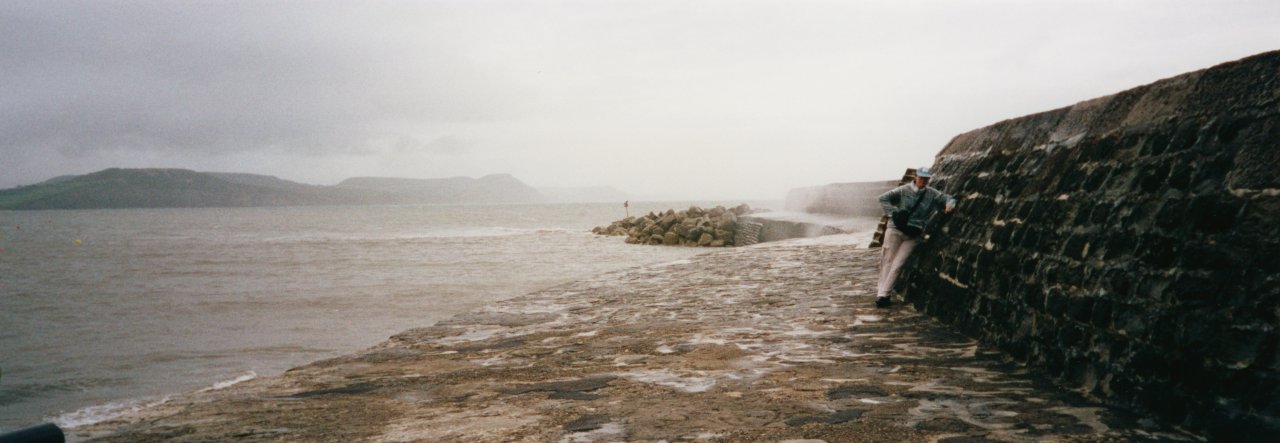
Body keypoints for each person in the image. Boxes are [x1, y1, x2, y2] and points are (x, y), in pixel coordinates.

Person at [874, 166, 956, 308]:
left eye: (926, 178)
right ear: (916, 177)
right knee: (887, 261)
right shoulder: (903, 190)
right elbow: (883, 198)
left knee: (899, 264)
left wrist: (950, 205)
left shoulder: (931, 193)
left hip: (914, 233)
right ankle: (883, 294)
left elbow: (949, 198)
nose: (924, 180)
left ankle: (884, 293)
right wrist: (893, 213)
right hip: (895, 230)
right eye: (921, 177)